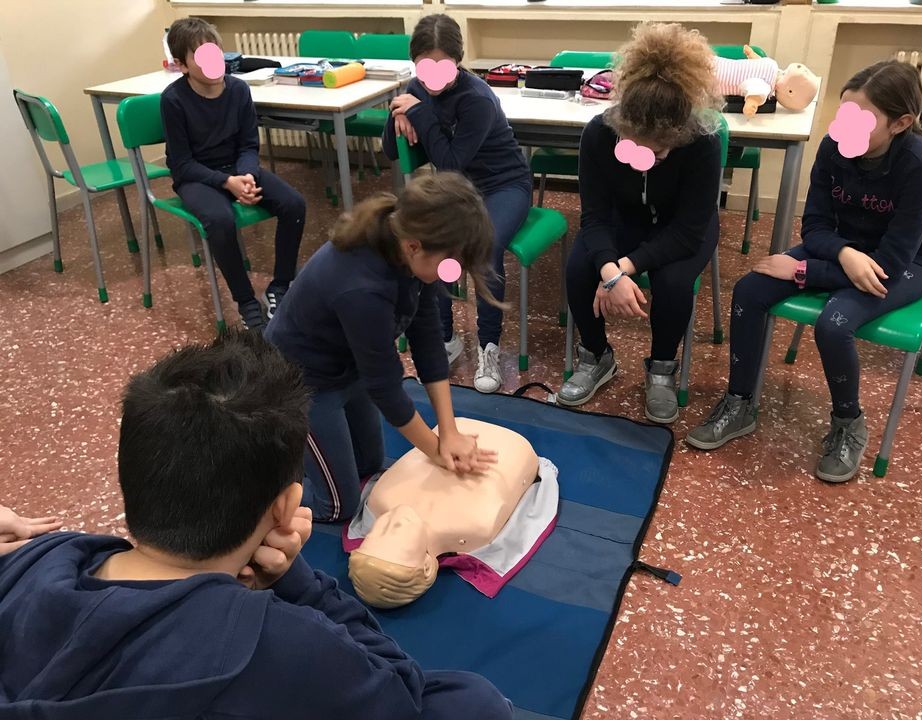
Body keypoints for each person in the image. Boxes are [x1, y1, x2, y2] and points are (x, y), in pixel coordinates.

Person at [0, 330, 513, 720]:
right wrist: (303, 587)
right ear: (287, 507)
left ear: (130, 474)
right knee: (475, 701)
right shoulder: (278, 648)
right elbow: (400, 693)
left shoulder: (37, 558)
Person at [687, 60, 922, 483]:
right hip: (843, 247)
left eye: (861, 118)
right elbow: (814, 224)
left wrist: (803, 273)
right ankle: (739, 401)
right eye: (843, 111)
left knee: (834, 323)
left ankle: (849, 421)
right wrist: (845, 253)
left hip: (905, 263)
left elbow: (889, 264)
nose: (844, 125)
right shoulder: (837, 145)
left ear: (901, 122)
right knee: (750, 290)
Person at [265, 173, 500, 523]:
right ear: (413, 246)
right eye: (450, 263)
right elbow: (386, 387)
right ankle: (260, 487)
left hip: (347, 367)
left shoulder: (411, 250)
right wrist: (438, 452)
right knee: (340, 506)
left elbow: (428, 339)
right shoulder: (362, 288)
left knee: (370, 465)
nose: (453, 273)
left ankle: (300, 448)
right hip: (300, 383)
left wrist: (448, 431)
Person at [558, 23, 723, 425]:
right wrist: (607, 269)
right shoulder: (598, 134)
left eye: (661, 152)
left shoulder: (703, 141)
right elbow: (594, 216)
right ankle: (596, 356)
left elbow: (687, 232)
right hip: (622, 220)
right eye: (635, 147)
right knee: (580, 268)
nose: (648, 158)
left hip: (683, 228)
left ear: (681, 132)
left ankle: (662, 368)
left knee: (672, 282)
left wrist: (620, 271)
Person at [381, 14, 532, 394]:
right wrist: (396, 112)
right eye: (423, 66)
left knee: (487, 247)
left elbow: (449, 161)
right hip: (458, 191)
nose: (431, 77)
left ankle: (489, 346)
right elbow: (389, 151)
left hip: (504, 185)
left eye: (442, 66)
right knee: (433, 245)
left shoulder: (476, 98)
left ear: (459, 60)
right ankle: (445, 336)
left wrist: (417, 112)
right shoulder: (415, 89)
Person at [161, 18, 306, 331]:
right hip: (197, 177)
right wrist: (226, 182)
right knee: (221, 221)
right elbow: (182, 163)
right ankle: (245, 300)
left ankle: (281, 285)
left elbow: (249, 145)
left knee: (294, 204)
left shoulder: (239, 90)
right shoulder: (173, 101)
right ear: (182, 65)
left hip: (238, 168)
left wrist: (247, 176)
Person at [346, 417, 558, 609]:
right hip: (513, 444)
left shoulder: (380, 499)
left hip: (453, 429)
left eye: (374, 535)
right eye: (393, 542)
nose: (390, 524)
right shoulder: (474, 525)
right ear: (427, 567)